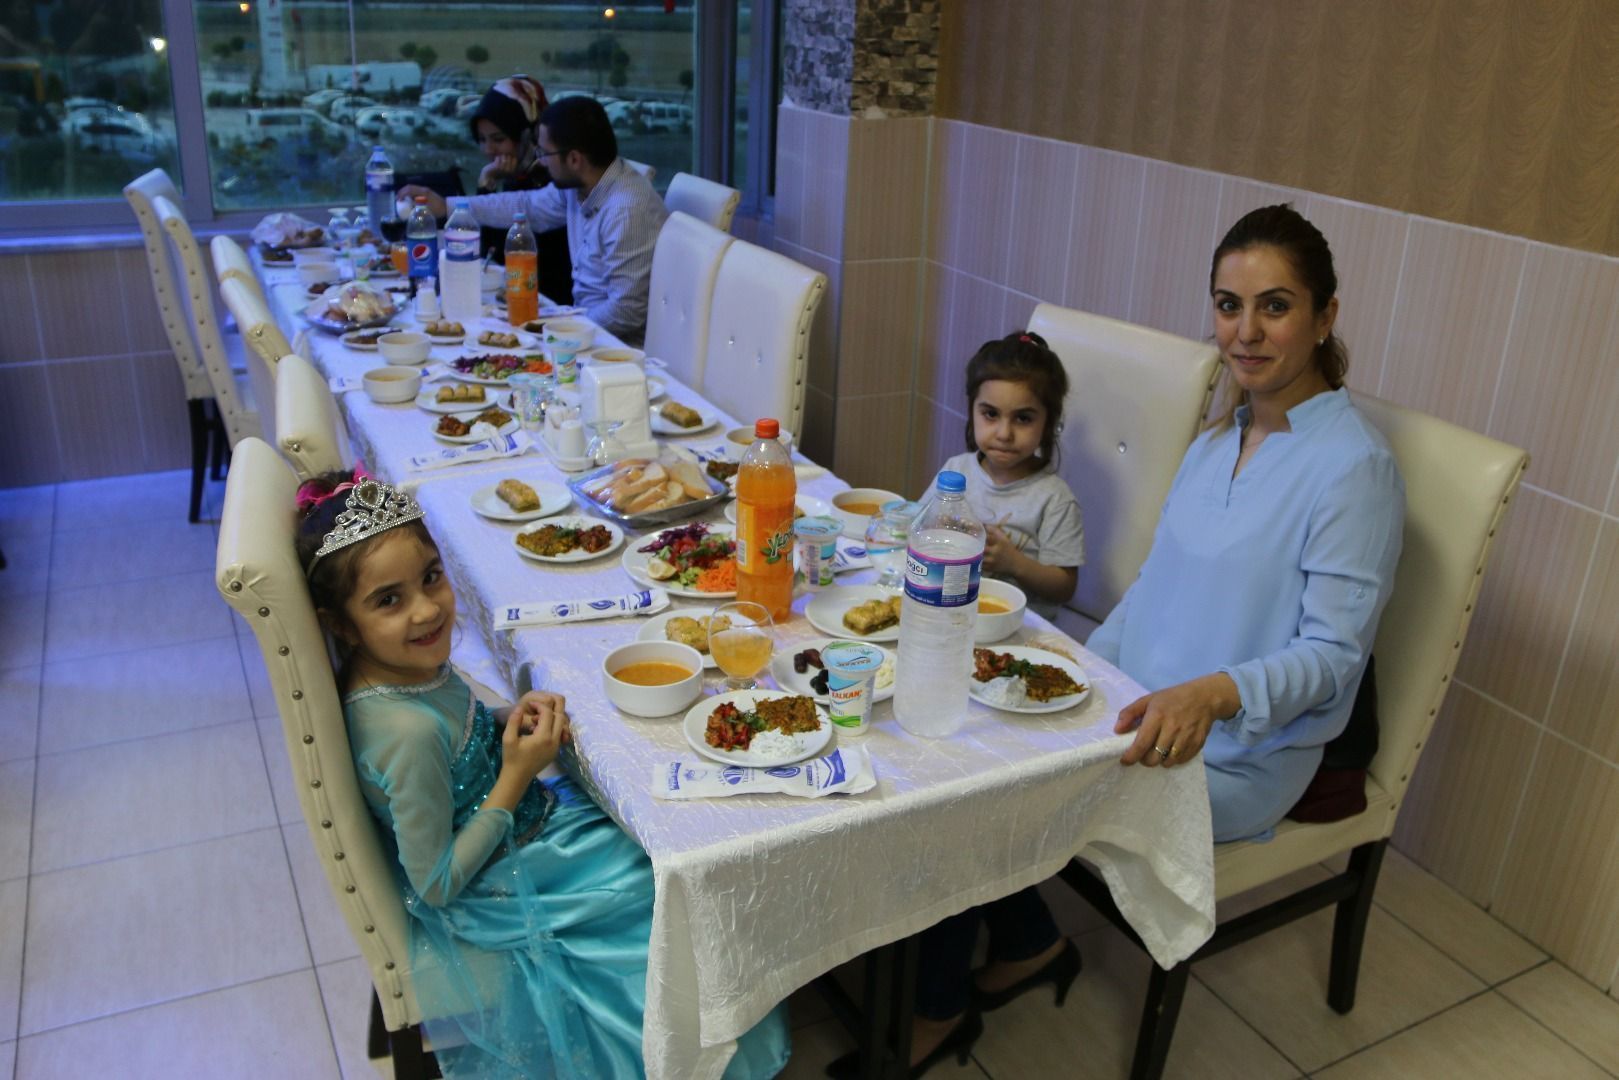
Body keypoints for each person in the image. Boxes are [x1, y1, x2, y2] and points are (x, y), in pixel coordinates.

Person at [847, 204, 1404, 1078]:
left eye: (1275, 306)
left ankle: (935, 1009)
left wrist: (1211, 693)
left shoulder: (1353, 469)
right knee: (950, 737)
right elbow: (1154, 590)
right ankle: (1025, 944)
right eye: (1228, 305)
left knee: (967, 802)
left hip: (1234, 753)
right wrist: (1069, 664)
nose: (1245, 331)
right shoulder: (1220, 439)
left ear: (1324, 316)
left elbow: (1334, 657)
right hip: (1137, 701)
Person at [294, 469, 789, 1079]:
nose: (426, 609)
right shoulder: (405, 732)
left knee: (659, 821)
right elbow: (436, 884)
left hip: (521, 830)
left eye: (431, 577)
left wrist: (506, 718)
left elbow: (456, 739)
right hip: (494, 883)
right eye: (389, 600)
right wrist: (517, 774)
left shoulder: (398, 670)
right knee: (669, 882)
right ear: (342, 625)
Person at [401, 95, 668, 345]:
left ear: (574, 159)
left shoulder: (626, 209)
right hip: (582, 329)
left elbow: (625, 311)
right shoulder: (582, 186)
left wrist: (555, 333)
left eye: (545, 154)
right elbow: (526, 206)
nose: (541, 163)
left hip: (613, 348)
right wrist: (447, 207)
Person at [938, 330, 1084, 620]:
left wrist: (1014, 563)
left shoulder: (1054, 499)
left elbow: (1065, 587)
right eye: (991, 414)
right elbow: (917, 530)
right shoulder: (956, 471)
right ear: (972, 411)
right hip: (951, 612)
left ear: (1048, 423)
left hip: (1020, 627)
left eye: (1023, 418)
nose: (1004, 433)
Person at [464, 74, 572, 303]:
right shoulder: (515, 175)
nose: (488, 150)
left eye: (498, 139)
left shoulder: (553, 181)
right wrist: (486, 184)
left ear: (526, 136)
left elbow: (505, 255)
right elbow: (488, 257)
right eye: (482, 139)